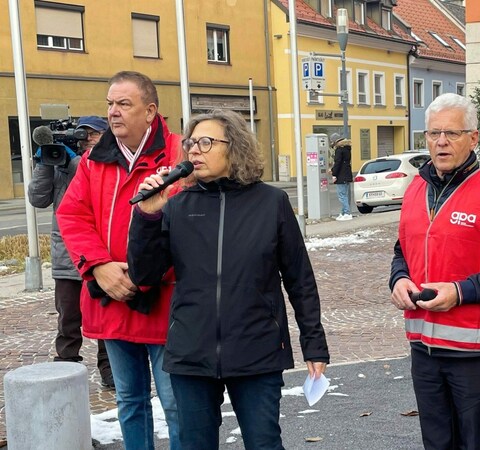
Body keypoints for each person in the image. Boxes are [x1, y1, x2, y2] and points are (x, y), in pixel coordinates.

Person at [127, 109, 330, 449]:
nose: (194, 150)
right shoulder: (177, 207)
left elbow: (300, 280)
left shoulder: (271, 203)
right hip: (191, 353)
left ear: (234, 147)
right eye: (191, 142)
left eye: (206, 142)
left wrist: (314, 343)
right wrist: (147, 217)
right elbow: (144, 275)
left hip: (256, 349)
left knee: (264, 442)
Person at [389, 93, 480, 449]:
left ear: (473, 138)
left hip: (473, 353)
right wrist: (399, 278)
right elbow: (403, 249)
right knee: (437, 443)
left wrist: (460, 291)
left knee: (476, 443)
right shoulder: (416, 189)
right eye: (433, 133)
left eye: (452, 134)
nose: (441, 142)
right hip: (423, 349)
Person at [57, 71, 182, 450]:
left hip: (165, 300)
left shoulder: (180, 153)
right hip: (110, 296)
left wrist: (146, 272)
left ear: (150, 111)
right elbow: (72, 216)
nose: (113, 112)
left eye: (124, 104)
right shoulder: (96, 159)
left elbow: (194, 224)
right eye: (110, 104)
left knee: (177, 403)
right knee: (129, 401)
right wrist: (97, 265)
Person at [28, 115, 114, 389]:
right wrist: (45, 164)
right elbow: (38, 199)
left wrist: (73, 163)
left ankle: (109, 368)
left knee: (105, 315)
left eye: (94, 134)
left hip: (100, 253)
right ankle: (66, 366)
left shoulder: (106, 163)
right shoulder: (61, 163)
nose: (87, 139)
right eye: (83, 134)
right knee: (68, 317)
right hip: (67, 254)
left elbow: (91, 177)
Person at [329, 132, 353, 220]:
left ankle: (347, 213)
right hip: (347, 174)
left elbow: (338, 163)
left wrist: (333, 173)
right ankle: (343, 213)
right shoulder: (347, 148)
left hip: (341, 175)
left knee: (342, 195)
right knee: (344, 195)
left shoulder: (339, 150)